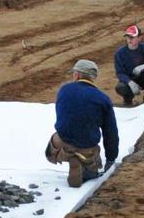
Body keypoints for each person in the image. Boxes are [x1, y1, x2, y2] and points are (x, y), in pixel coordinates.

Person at [45, 59, 119, 188]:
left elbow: (62, 118)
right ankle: (83, 166)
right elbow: (110, 132)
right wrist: (111, 158)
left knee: (57, 135)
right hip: (87, 149)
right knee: (92, 171)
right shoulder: (103, 99)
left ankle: (71, 157)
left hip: (61, 145)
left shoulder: (64, 90)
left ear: (78, 75)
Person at [114, 24, 144, 106]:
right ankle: (128, 101)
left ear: (139, 38)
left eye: (132, 37)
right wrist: (130, 83)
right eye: (127, 37)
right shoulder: (120, 53)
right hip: (130, 79)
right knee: (121, 87)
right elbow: (120, 73)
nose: (129, 40)